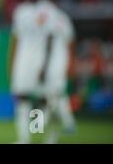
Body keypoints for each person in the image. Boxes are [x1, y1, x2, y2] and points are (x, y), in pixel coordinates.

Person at [9, 0, 58, 143]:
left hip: (41, 59)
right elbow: (15, 39)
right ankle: (24, 138)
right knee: (21, 97)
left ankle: (49, 136)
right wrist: (12, 63)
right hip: (23, 60)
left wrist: (46, 65)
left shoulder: (49, 10)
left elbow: (51, 39)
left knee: (46, 99)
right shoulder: (21, 10)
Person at [41, 8, 77, 143]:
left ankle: (42, 125)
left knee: (53, 94)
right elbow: (71, 40)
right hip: (55, 62)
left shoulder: (51, 17)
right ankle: (69, 123)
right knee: (57, 94)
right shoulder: (63, 17)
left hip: (53, 62)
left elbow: (68, 41)